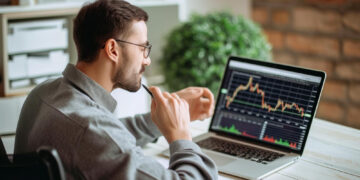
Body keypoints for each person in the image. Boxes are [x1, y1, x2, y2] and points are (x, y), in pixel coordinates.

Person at [14, 0, 218, 179]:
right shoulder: (91, 130)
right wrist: (180, 135)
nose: (147, 60)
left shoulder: (43, 93)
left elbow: (108, 136)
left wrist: (161, 119)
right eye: (143, 48)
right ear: (113, 50)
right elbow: (102, 137)